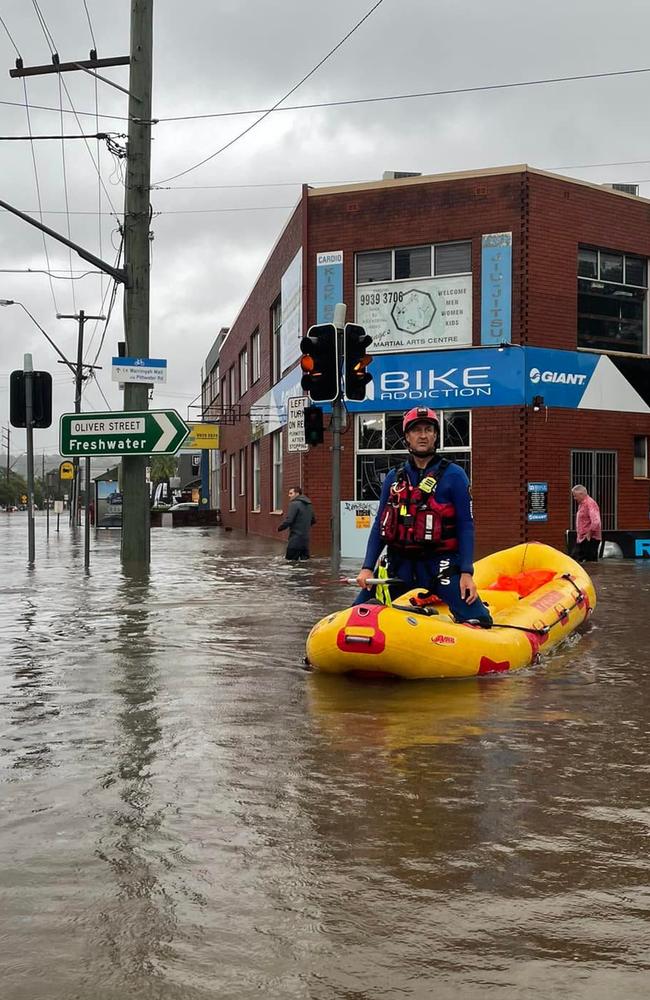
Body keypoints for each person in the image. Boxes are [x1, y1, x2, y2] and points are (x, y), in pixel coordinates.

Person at [355, 406, 492, 626]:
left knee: (481, 620)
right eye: (416, 430)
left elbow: (466, 526)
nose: (423, 435)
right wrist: (367, 567)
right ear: (407, 437)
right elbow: (380, 524)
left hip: (441, 565)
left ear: (436, 435)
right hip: (399, 566)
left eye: (428, 429)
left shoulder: (455, 476)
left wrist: (467, 572)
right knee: (356, 614)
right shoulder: (393, 478)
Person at [278, 486, 316, 561]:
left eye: (291, 493)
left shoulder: (294, 504)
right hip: (305, 542)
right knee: (304, 564)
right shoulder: (309, 504)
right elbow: (313, 520)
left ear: (297, 494)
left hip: (295, 540)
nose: (289, 495)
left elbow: (289, 520)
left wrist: (280, 528)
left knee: (290, 563)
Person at [571, 485, 602, 562]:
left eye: (575, 496)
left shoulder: (590, 504)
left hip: (589, 539)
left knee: (588, 563)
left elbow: (596, 521)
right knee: (577, 560)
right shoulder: (582, 504)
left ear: (581, 494)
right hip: (582, 538)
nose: (574, 498)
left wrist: (589, 534)